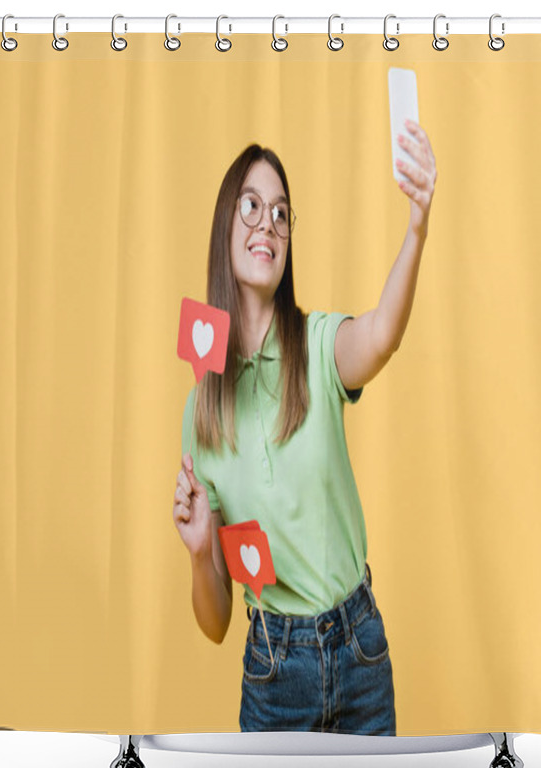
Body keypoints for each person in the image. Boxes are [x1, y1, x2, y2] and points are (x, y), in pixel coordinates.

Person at [172, 120, 436, 735]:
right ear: (225, 226)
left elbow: (381, 335)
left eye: (282, 214)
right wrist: (198, 553)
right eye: (252, 206)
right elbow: (214, 624)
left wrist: (417, 226)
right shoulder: (201, 414)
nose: (268, 223)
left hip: (360, 649)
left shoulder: (318, 346)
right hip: (272, 670)